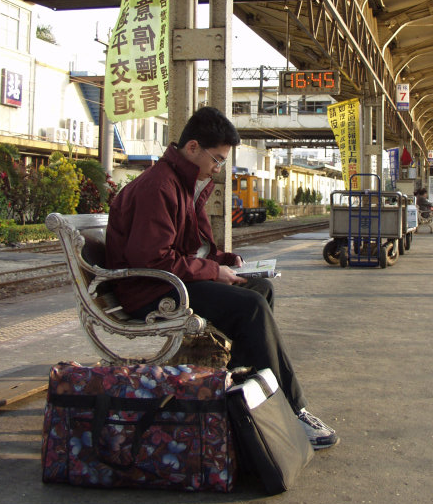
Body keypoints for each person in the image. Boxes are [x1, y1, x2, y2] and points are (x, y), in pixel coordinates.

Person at [106, 106, 338, 450]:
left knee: (259, 288)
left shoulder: (182, 183)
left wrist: (226, 262)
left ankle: (246, 398)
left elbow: (191, 248)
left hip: (170, 282)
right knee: (251, 307)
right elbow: (153, 259)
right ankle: (292, 409)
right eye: (217, 159)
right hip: (150, 291)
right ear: (193, 147)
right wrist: (214, 271)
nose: (218, 168)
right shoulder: (159, 186)